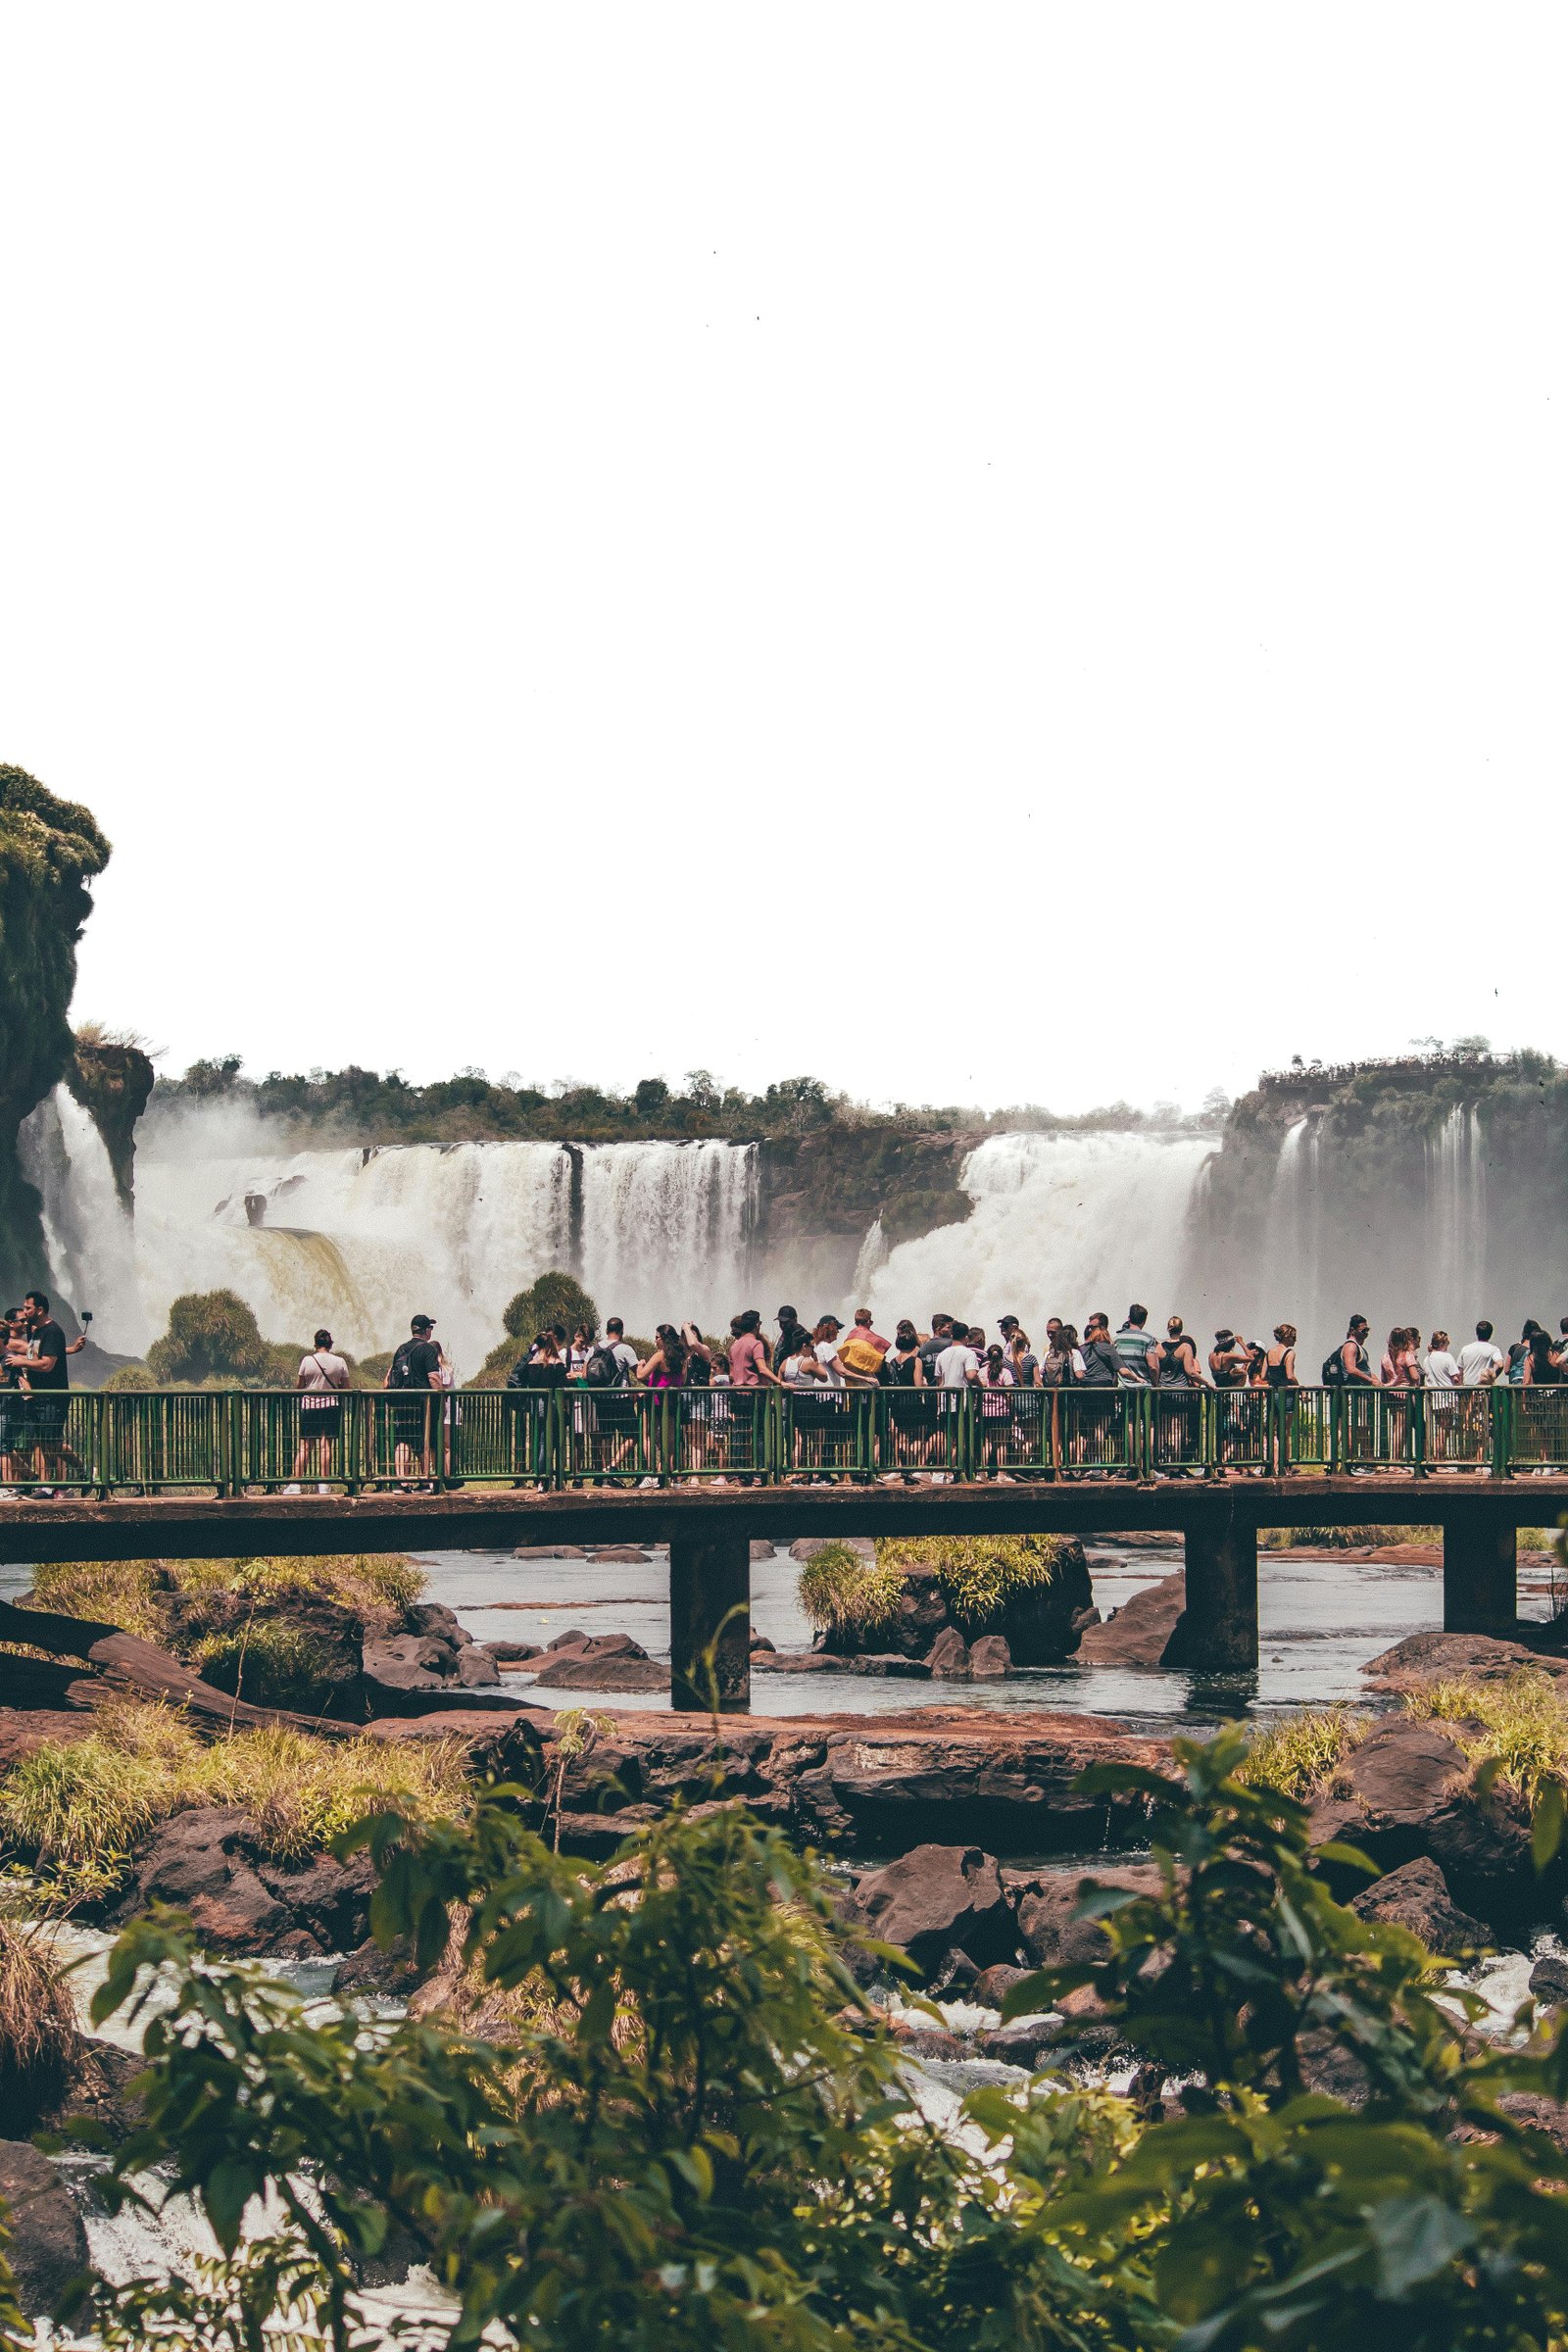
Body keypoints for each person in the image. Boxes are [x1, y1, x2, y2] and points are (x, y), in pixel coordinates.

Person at [20, 1292, 77, 1494]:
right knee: (42, 1442)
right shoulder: (34, 1330)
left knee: (51, 1442)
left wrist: (22, 1362)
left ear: (40, 1310)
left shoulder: (52, 1331)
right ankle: (46, 1485)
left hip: (53, 1397)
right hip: (38, 1396)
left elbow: (47, 1364)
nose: (24, 1312)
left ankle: (82, 1470)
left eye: (28, 1308)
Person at [287, 1327, 350, 1492]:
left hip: (310, 1406)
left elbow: (299, 1385)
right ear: (330, 1344)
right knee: (325, 1446)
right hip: (331, 1406)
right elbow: (346, 1387)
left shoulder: (307, 1360)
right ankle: (324, 1484)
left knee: (305, 1446)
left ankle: (295, 1484)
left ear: (315, 1344)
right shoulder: (340, 1361)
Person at [385, 1314, 442, 1488]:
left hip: (401, 1402)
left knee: (402, 1441)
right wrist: (440, 1396)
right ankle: (426, 1480)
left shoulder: (401, 1349)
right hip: (421, 1403)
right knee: (423, 1441)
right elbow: (433, 1377)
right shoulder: (428, 1350)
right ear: (426, 1331)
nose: (431, 1331)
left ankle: (401, 1482)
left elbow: (390, 1377)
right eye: (430, 1328)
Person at [976, 1342, 1015, 1475]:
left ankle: (982, 1472)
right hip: (1001, 1411)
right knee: (1001, 1443)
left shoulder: (981, 1372)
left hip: (985, 1412)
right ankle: (1001, 1474)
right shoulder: (1005, 1372)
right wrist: (1012, 1410)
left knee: (986, 1442)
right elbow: (1010, 1394)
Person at [1114, 1304, 1155, 1384]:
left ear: (1129, 1318)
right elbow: (1152, 1367)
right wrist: (1155, 1383)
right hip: (1143, 1385)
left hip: (1123, 1386)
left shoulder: (1117, 1339)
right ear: (1144, 1321)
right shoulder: (1148, 1339)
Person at [1457, 1319, 1505, 1386]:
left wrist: (1461, 1386)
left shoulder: (1465, 1349)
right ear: (1490, 1334)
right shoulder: (1493, 1349)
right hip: (1484, 1387)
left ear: (1477, 1333)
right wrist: (1491, 1376)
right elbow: (1500, 1364)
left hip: (1468, 1388)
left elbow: (1460, 1372)